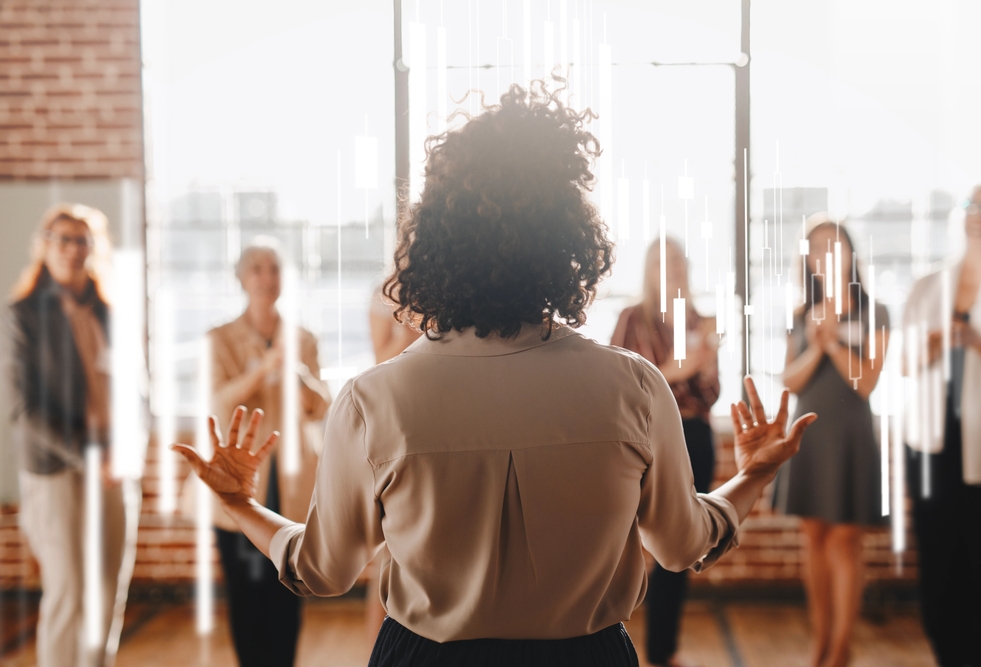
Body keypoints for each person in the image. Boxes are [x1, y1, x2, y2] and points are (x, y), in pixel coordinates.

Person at [173, 81, 816, 667]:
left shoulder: (374, 400)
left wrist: (239, 503)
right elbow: (683, 546)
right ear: (571, 246)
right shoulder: (635, 386)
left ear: (430, 245)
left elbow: (323, 569)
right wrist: (755, 472)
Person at [5, 204, 140, 667]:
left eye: (82, 240)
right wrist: (88, 457)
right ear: (44, 246)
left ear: (94, 249)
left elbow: (131, 388)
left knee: (107, 587)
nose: (72, 249)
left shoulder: (108, 311)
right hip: (56, 467)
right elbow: (23, 408)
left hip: (114, 463)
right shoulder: (23, 314)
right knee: (69, 589)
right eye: (62, 239)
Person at [204, 239, 331, 667]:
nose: (266, 276)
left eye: (274, 267)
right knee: (244, 593)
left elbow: (322, 407)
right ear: (241, 278)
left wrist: (296, 372)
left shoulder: (305, 339)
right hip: (239, 477)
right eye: (256, 268)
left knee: (289, 584)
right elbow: (219, 401)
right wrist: (263, 368)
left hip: (291, 479)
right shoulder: (218, 338)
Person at [775, 216, 889, 667]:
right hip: (810, 433)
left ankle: (842, 647)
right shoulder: (802, 314)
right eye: (816, 248)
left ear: (850, 254)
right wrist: (817, 345)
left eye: (833, 245)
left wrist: (834, 343)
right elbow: (789, 378)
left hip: (851, 435)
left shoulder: (872, 311)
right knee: (814, 538)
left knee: (845, 541)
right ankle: (819, 643)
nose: (825, 255)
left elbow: (867, 383)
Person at [902, 179, 981, 667]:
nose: (978, 215)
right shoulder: (929, 286)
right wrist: (936, 344)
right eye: (971, 205)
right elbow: (902, 363)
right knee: (939, 568)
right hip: (931, 446)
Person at [611, 238, 719, 667]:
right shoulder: (630, 319)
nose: (671, 268)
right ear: (648, 270)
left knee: (680, 549)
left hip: (693, 437)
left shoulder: (701, 320)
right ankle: (610, 644)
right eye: (662, 261)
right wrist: (681, 370)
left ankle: (662, 651)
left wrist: (702, 367)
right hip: (640, 438)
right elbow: (620, 387)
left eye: (677, 260)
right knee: (622, 545)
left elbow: (709, 394)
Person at [362, 288, 424, 646]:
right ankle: (379, 648)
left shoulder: (462, 276)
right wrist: (409, 331)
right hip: (399, 416)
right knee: (389, 550)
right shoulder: (388, 292)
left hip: (444, 405)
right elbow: (379, 363)